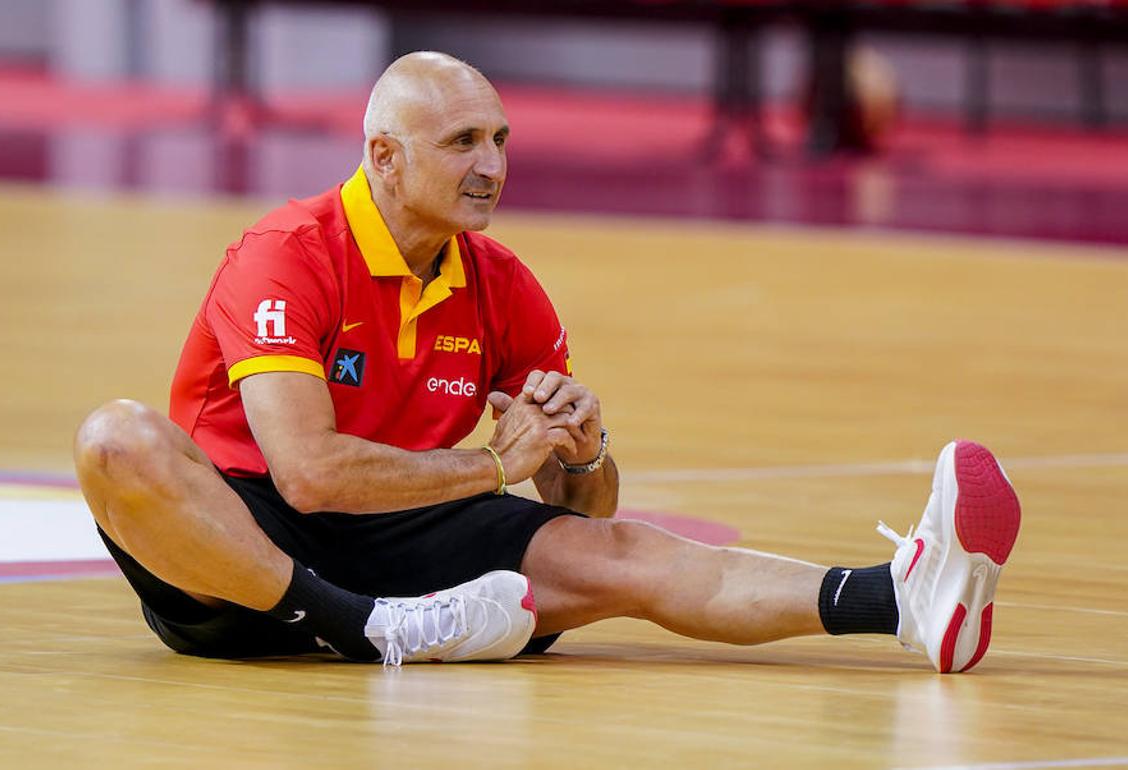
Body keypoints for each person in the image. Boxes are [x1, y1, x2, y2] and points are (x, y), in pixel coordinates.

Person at [73, 51, 1020, 673]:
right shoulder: (288, 253)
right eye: (463, 143)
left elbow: (582, 515)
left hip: (401, 530)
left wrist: (582, 447)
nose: (493, 164)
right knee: (115, 440)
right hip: (242, 549)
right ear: (384, 157)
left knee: (623, 553)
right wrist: (493, 465)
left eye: (499, 139)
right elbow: (310, 478)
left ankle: (900, 597)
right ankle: (362, 626)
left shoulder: (502, 284)